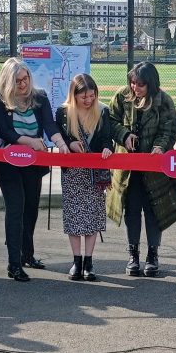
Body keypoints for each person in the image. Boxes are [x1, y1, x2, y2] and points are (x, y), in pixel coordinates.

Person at [0, 57, 69, 282]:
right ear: (8, 81)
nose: (23, 84)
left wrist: (61, 144)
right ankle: (13, 263)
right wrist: (29, 141)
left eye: (25, 78)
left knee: (31, 208)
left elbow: (49, 125)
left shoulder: (40, 97)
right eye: (17, 80)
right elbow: (4, 131)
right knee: (16, 208)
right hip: (8, 161)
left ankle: (28, 254)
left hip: (33, 163)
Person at [107, 62, 176, 277]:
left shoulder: (164, 100)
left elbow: (169, 129)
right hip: (127, 169)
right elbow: (110, 120)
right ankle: (133, 254)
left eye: (140, 84)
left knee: (154, 211)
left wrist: (160, 147)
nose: (135, 87)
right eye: (132, 83)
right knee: (131, 211)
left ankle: (152, 254)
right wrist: (123, 135)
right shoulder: (122, 96)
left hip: (155, 169)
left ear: (151, 83)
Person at [56, 74, 114, 281]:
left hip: (94, 173)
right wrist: (69, 144)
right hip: (72, 172)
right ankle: (76, 261)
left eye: (92, 96)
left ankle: (89, 261)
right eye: (84, 97)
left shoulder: (103, 112)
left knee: (92, 217)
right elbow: (59, 137)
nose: (88, 101)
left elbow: (107, 138)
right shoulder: (63, 113)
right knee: (74, 217)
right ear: (74, 95)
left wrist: (107, 148)